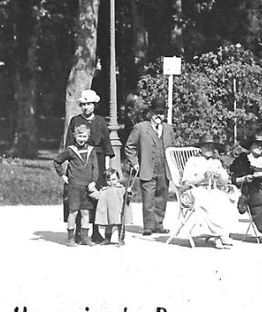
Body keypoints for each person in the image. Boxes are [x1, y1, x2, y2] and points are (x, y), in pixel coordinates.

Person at [65, 89, 110, 242]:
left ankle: (96, 232)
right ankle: (77, 232)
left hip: (98, 161)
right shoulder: (75, 121)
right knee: (78, 197)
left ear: (94, 105)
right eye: (83, 104)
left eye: (89, 104)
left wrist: (106, 167)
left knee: (96, 196)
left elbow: (107, 145)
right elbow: (69, 144)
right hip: (80, 162)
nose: (86, 107)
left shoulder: (101, 121)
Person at [125, 97, 174, 236]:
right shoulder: (140, 128)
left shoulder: (169, 129)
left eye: (161, 113)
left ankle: (159, 224)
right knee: (148, 198)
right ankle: (148, 226)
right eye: (156, 113)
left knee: (162, 197)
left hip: (164, 169)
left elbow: (173, 148)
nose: (159, 116)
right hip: (147, 168)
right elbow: (129, 147)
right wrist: (135, 163)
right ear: (150, 113)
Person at [176, 139, 236, 248]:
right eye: (207, 146)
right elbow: (186, 182)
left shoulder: (216, 162)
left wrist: (220, 176)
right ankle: (219, 235)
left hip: (212, 189)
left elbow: (225, 180)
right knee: (207, 200)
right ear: (201, 148)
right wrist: (203, 177)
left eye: (212, 147)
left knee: (224, 200)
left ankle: (221, 234)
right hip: (194, 190)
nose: (210, 149)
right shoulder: (193, 160)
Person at [54, 121, 100, 246]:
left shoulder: (91, 150)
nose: (82, 139)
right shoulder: (71, 150)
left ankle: (85, 237)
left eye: (84, 136)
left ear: (88, 137)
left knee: (86, 212)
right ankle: (70, 238)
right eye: (79, 136)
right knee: (73, 212)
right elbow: (57, 161)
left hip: (87, 186)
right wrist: (63, 175)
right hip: (74, 186)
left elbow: (95, 168)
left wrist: (93, 182)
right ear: (75, 136)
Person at [90, 165, 132, 246]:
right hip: (108, 212)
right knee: (108, 226)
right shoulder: (104, 190)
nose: (111, 182)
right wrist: (93, 192)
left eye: (113, 179)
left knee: (120, 225)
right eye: (108, 180)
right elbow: (98, 196)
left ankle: (121, 239)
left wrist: (129, 192)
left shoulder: (121, 188)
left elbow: (127, 197)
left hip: (119, 211)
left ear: (118, 178)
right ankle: (107, 239)